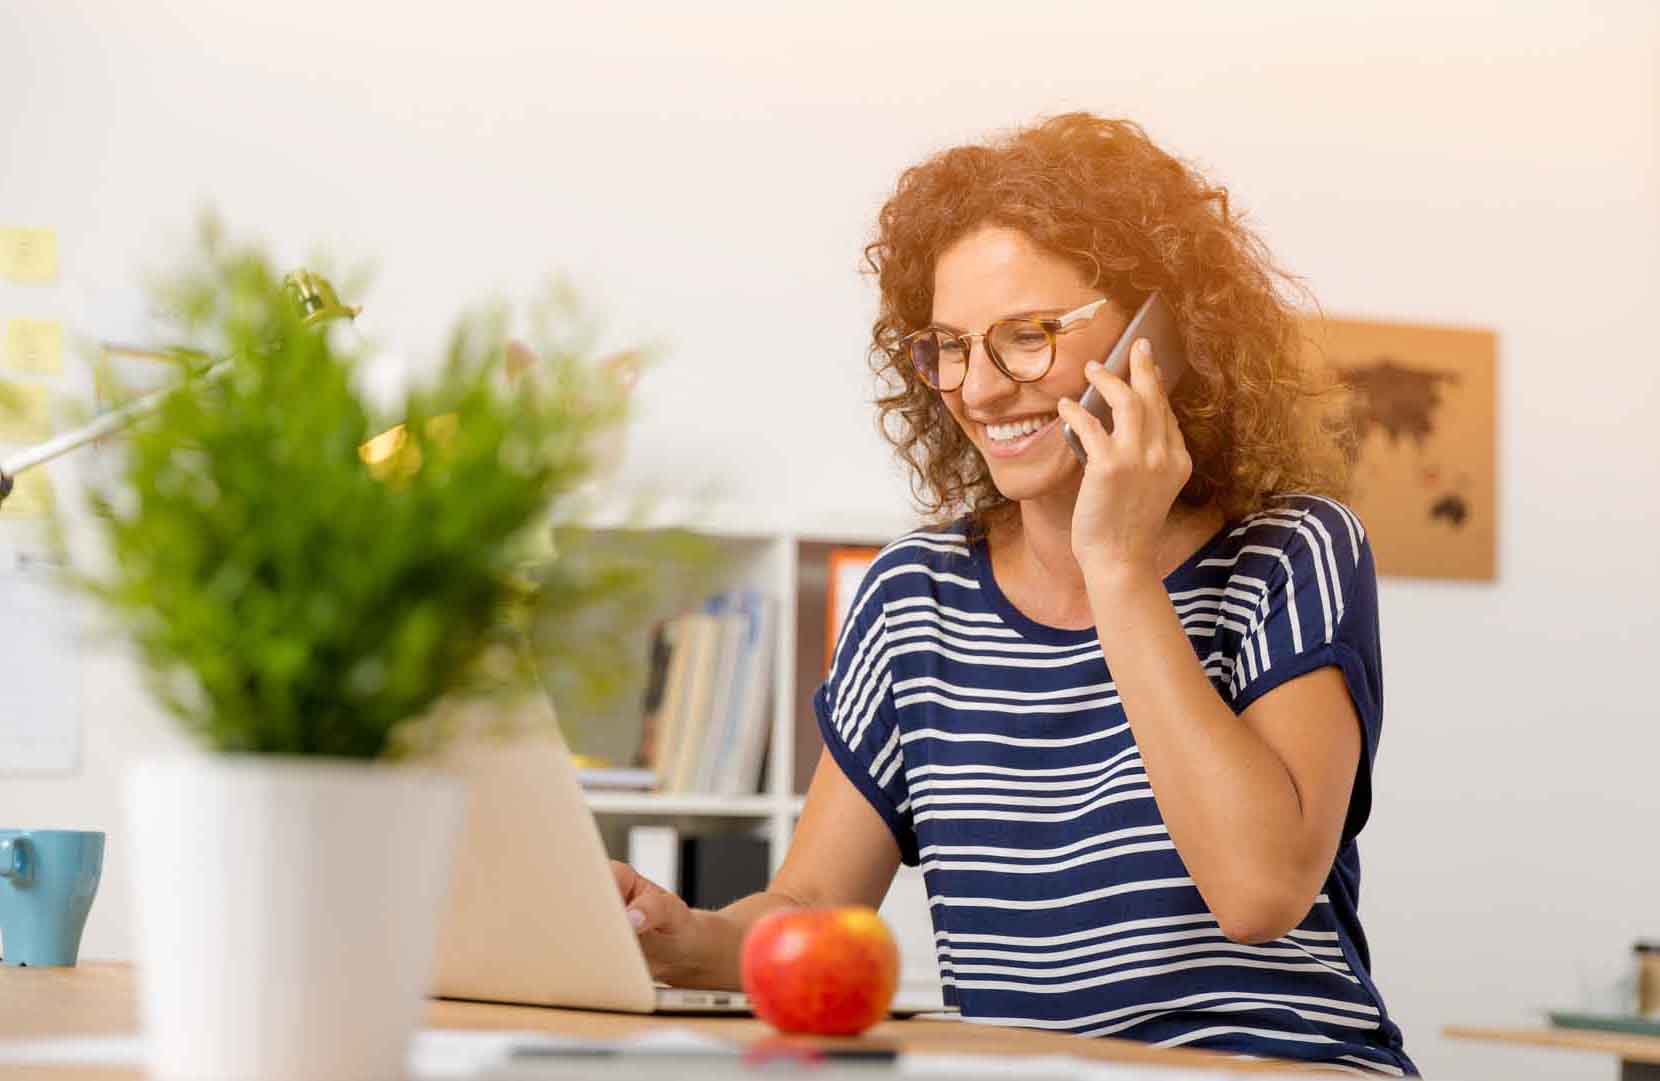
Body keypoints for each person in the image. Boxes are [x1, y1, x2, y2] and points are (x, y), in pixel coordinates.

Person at [611, 112, 1416, 1076]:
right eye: (948, 346)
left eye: (1026, 337)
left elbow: (1257, 892)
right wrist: (679, 935)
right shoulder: (916, 595)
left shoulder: (1293, 550)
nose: (980, 391)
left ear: (1163, 333)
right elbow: (808, 910)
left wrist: (1115, 566)